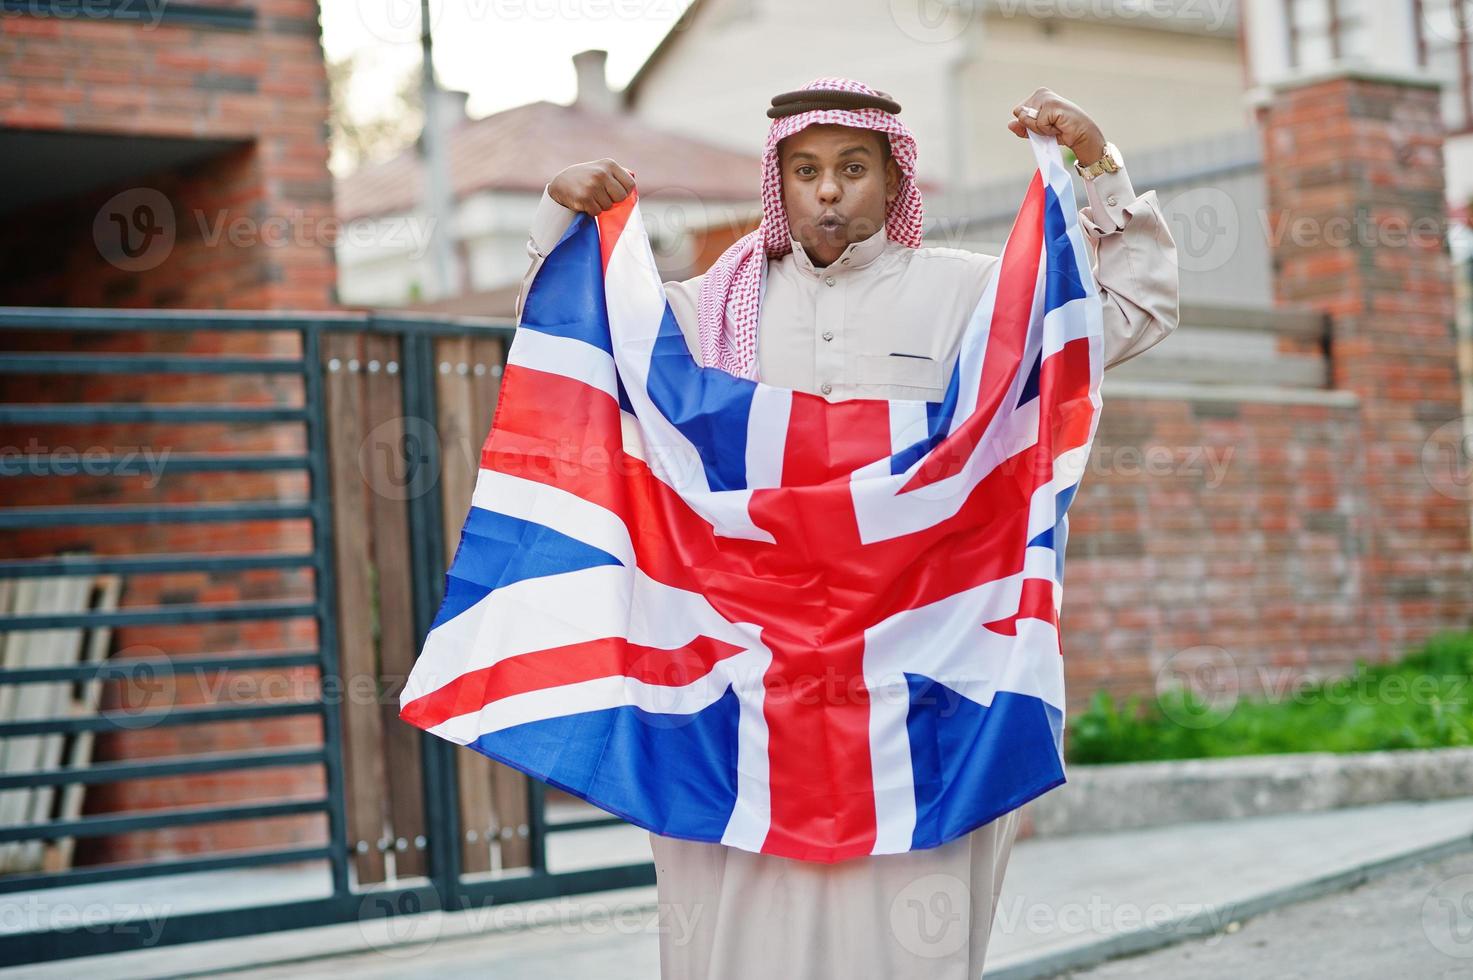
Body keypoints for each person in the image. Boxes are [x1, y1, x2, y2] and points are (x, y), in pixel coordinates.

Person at [515, 77, 1178, 979]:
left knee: (908, 923)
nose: (828, 190)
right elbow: (572, 344)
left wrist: (1096, 166)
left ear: (894, 183)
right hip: (748, 685)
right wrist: (562, 216)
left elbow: (1127, 314)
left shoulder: (970, 297)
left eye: (853, 168)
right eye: (807, 169)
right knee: (738, 922)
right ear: (778, 183)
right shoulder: (709, 311)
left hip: (924, 676)